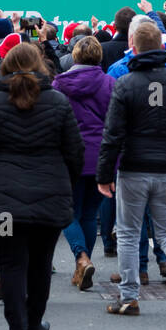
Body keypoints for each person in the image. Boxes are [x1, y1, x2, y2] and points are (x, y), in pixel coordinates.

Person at [0, 43, 84, 330]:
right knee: (41, 263)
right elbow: (75, 152)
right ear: (40, 65)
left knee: (12, 263)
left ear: (6, 66)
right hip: (49, 196)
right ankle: (33, 325)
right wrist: (64, 185)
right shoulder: (57, 102)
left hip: (4, 203)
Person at [96, 21, 166, 318]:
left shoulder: (126, 83)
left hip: (133, 168)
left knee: (130, 233)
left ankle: (130, 297)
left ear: (132, 47)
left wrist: (104, 175)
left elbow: (113, 134)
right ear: (161, 46)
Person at [52, 35, 114, 290]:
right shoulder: (110, 83)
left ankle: (81, 257)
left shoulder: (59, 84)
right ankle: (83, 262)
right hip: (102, 155)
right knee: (89, 213)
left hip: (70, 156)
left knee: (67, 211)